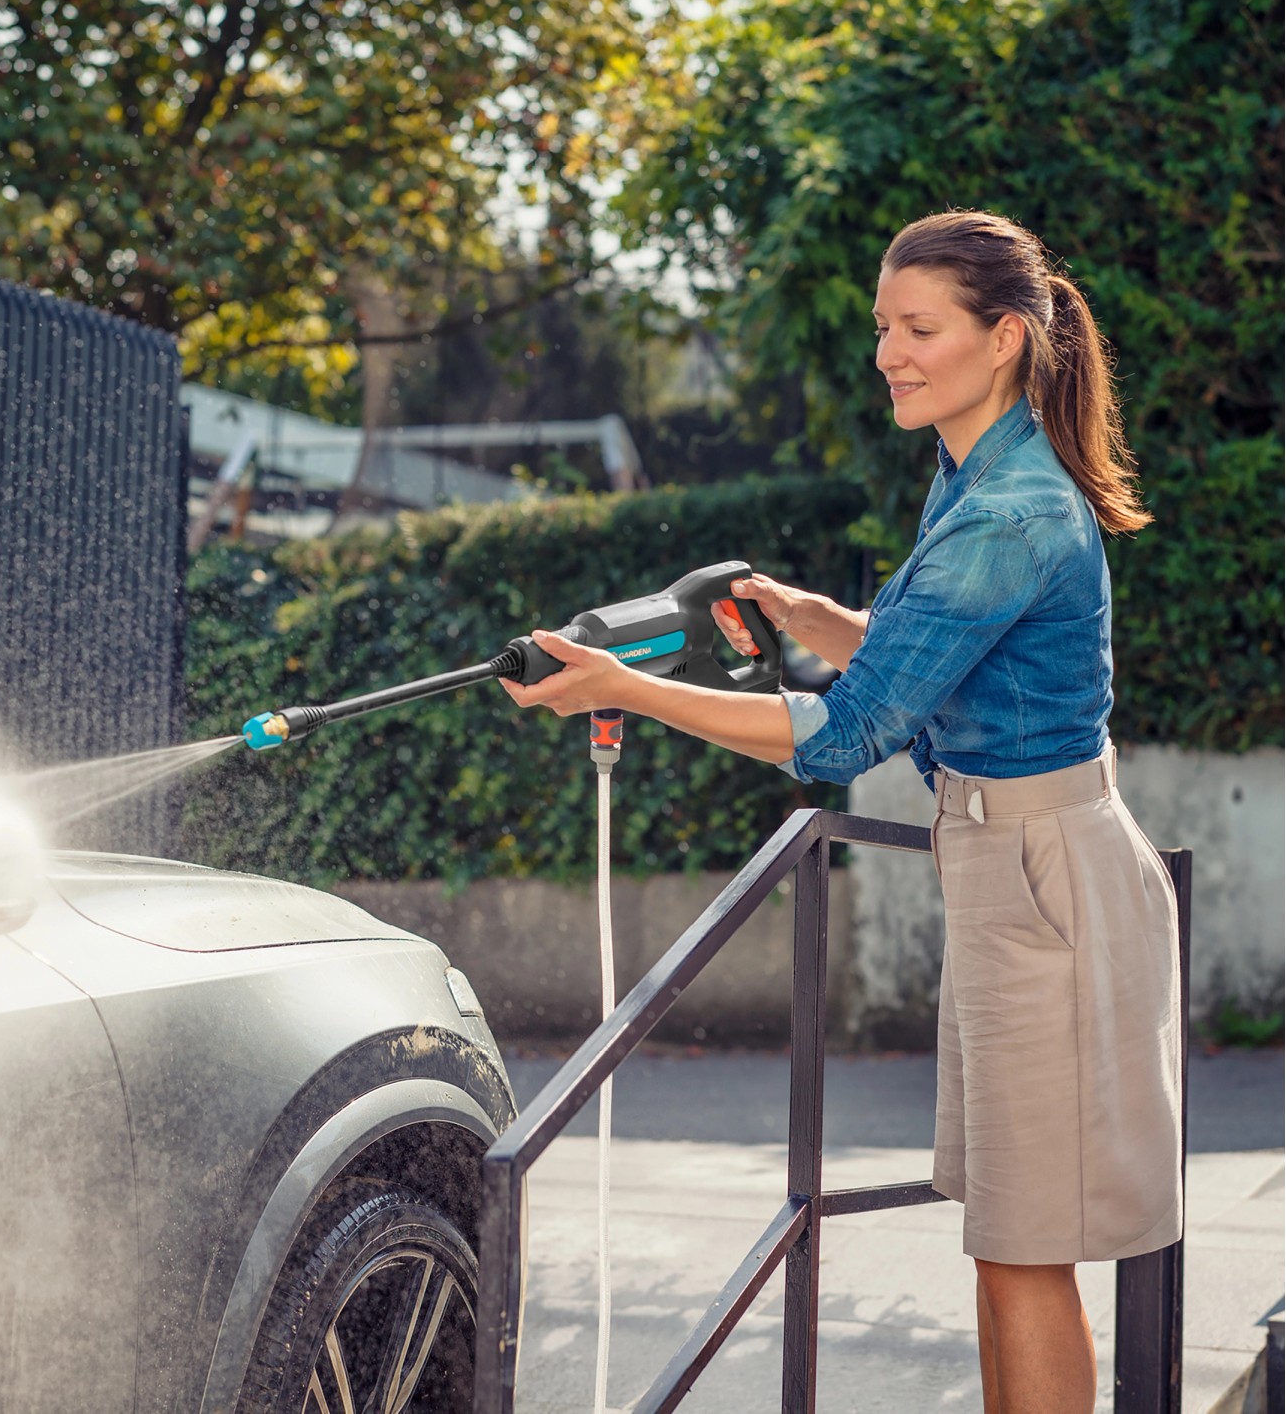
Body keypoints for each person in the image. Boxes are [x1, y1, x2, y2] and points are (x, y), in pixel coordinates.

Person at [498, 209, 1183, 1414]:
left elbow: (850, 735)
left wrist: (624, 690)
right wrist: (827, 622)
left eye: (918, 329)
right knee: (1006, 1236)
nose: (888, 355)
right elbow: (951, 670)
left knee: (1028, 1249)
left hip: (1047, 880)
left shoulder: (1009, 512)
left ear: (1005, 340)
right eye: (883, 327)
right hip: (1012, 868)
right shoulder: (972, 472)